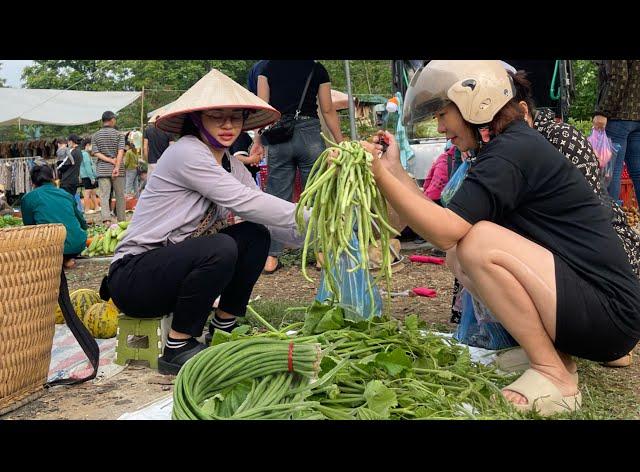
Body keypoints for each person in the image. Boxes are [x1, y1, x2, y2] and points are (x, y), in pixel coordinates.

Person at [362, 60, 640, 416]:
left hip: (609, 312)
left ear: (474, 104)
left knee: (475, 243)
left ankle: (554, 376)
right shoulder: (506, 149)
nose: (441, 127)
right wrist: (395, 171)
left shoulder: (511, 153)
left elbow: (445, 230)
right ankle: (552, 357)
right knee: (460, 254)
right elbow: (442, 224)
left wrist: (380, 177)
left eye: (444, 114)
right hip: (596, 307)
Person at [102, 68, 309, 375]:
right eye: (217, 117)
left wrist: (321, 233)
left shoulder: (230, 164)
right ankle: (178, 347)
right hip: (134, 278)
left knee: (255, 235)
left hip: (175, 276)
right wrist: (312, 217)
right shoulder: (187, 152)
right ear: (198, 119)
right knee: (221, 246)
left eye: (235, 117)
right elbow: (245, 201)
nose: (228, 125)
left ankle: (224, 328)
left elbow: (264, 214)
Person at [253, 60, 344, 273]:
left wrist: (256, 142)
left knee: (277, 197)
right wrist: (340, 141)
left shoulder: (266, 68)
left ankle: (271, 256)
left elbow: (262, 109)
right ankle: (321, 253)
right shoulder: (317, 69)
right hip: (310, 134)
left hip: (279, 134)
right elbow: (328, 110)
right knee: (316, 194)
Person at [21, 164, 88, 269]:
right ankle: (66, 259)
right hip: (77, 245)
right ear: (52, 178)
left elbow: (29, 227)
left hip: (51, 248)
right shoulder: (66, 194)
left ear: (32, 182)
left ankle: (60, 260)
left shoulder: (28, 198)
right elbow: (82, 222)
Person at [593, 60, 640, 206]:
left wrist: (602, 111)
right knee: (638, 173)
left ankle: (612, 222)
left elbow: (619, 77)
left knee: (610, 173)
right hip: (636, 116)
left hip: (617, 116)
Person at [92, 111, 125, 225]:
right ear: (112, 120)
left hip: (102, 170)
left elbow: (96, 153)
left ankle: (106, 221)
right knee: (120, 196)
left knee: (104, 196)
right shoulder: (119, 134)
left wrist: (108, 160)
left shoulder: (95, 135)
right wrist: (115, 165)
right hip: (118, 170)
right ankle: (121, 222)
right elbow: (120, 152)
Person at [80, 138, 99, 213]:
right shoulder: (85, 154)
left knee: (93, 192)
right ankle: (87, 209)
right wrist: (92, 177)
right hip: (87, 176)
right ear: (87, 145)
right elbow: (88, 167)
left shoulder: (85, 154)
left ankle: (97, 207)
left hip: (87, 175)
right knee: (87, 193)